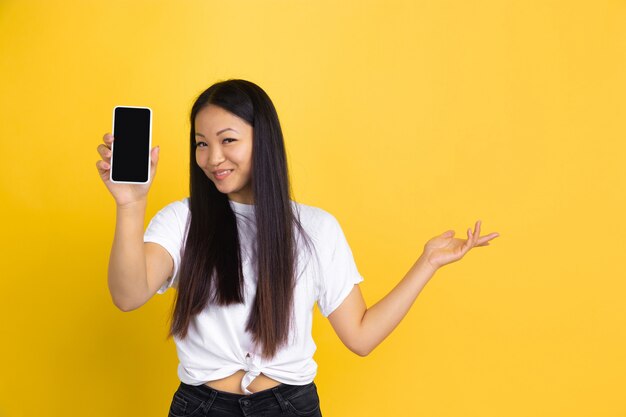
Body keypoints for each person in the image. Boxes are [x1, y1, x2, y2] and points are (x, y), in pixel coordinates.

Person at [96, 79, 500, 417]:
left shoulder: (316, 228)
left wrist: (427, 262)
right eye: (201, 144)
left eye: (228, 140)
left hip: (290, 406)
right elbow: (129, 295)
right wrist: (131, 205)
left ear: (264, 140)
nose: (212, 157)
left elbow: (360, 337)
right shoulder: (182, 220)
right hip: (201, 406)